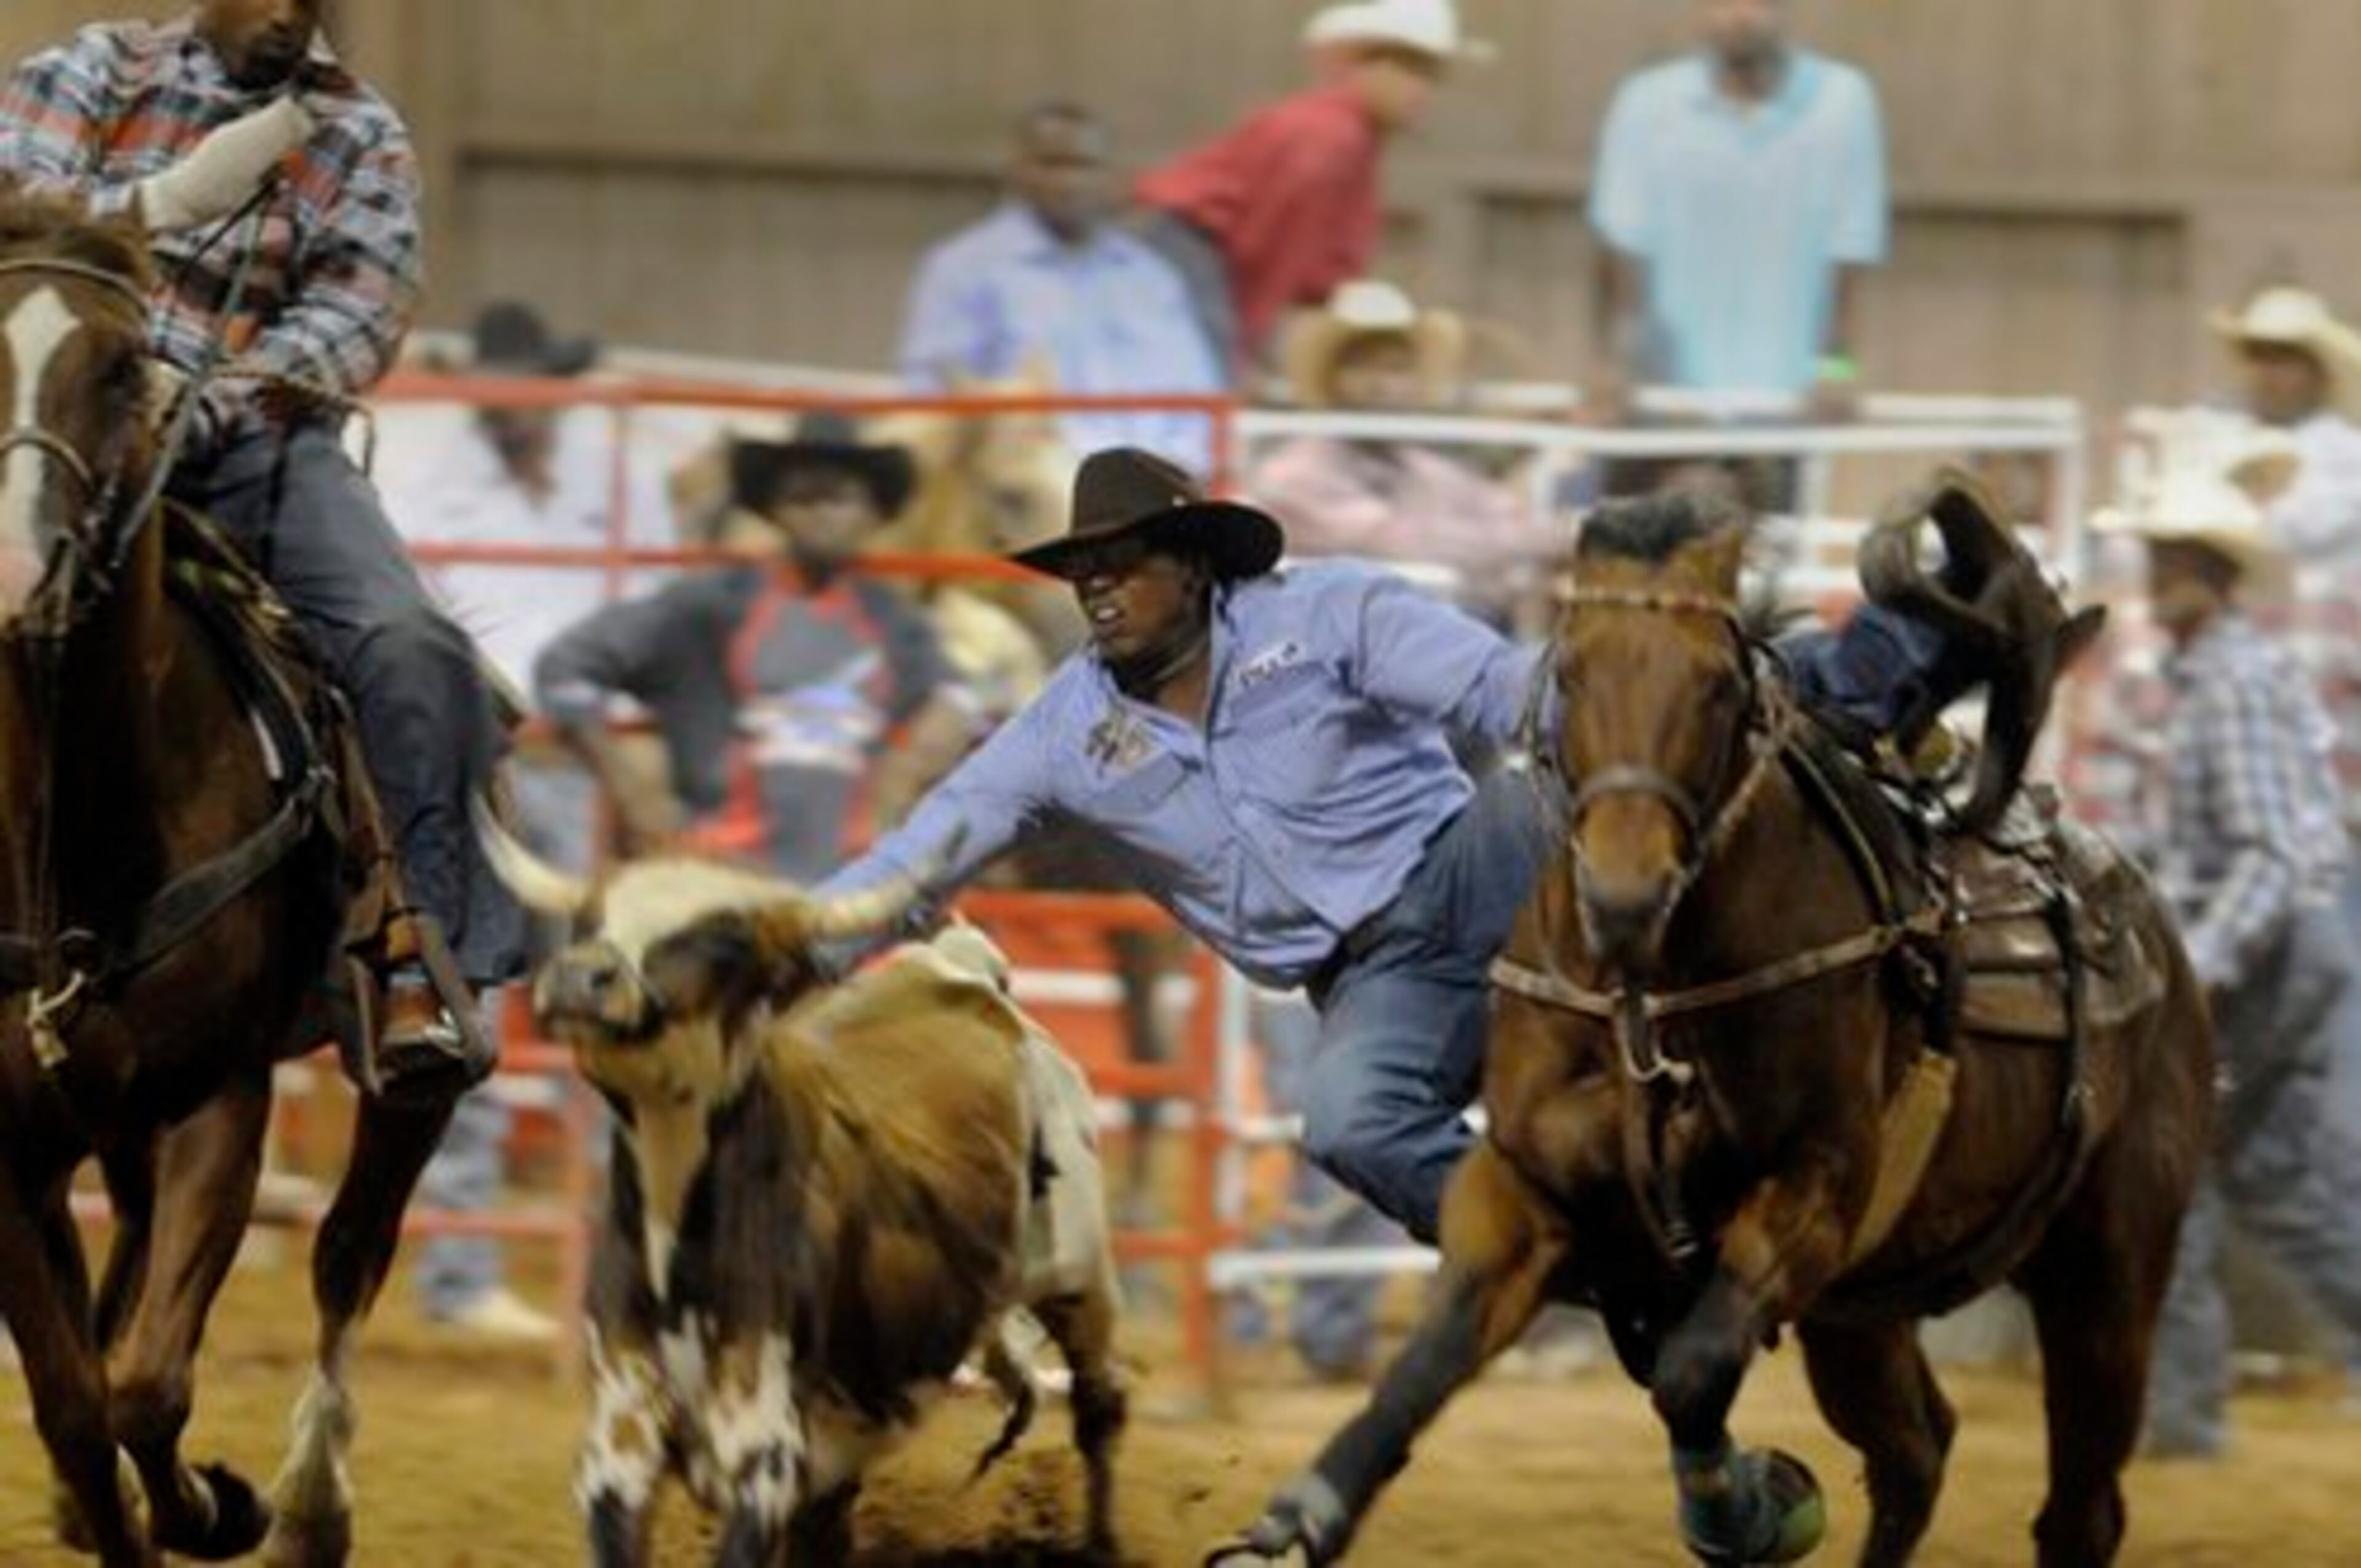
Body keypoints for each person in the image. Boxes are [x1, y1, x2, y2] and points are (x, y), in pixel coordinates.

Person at [0, 0, 521, 1098]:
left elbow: (358, 310)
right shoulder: (96, 70)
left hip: (250, 445)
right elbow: (22, 218)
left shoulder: (361, 133)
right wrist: (169, 203)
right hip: (57, 411)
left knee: (408, 642)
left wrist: (219, 393)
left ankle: (411, 952)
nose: (288, 10)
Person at [384, 301, 660, 1342]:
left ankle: (618, 1267)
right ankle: (464, 1273)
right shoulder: (429, 491)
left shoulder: (611, 481)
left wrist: (638, 758)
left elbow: (651, 621)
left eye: (530, 380)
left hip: (594, 768)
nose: (517, 401)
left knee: (619, 1019)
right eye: (503, 382)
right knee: (476, 1011)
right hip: (486, 767)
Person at [2087, 465, 2361, 1460]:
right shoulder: (2222, 673)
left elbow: (2269, 851)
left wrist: (2197, 969)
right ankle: (2181, 1415)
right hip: (2289, 954)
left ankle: (2182, 1421)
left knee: (2170, 1171)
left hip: (2262, 960)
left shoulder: (2231, 680)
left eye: (2179, 561)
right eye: (2159, 558)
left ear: (2216, 571)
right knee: (2281, 1182)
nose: (2163, 576)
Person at [537, 413, 971, 882]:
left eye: (840, 498)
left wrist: (900, 782)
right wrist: (634, 791)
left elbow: (962, 700)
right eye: (803, 498)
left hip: (848, 891)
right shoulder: (709, 607)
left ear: (873, 514)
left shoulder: (895, 623)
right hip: (719, 881)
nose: (821, 513)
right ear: (775, 510)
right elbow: (564, 668)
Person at [1133, 0, 1483, 370]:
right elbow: (1271, 249)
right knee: (1204, 371)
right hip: (1186, 250)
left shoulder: (1346, 137)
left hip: (1200, 253)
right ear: (1368, 67)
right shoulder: (1328, 139)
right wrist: (1243, 353)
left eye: (1431, 78)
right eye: (1414, 72)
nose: (1425, 93)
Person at [1586, 0, 1888, 415]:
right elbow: (1619, 252)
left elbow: (1849, 257)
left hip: (1787, 403)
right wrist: (1614, 363)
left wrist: (1836, 369)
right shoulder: (1647, 102)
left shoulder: (1843, 102)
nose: (1738, 15)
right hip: (1668, 402)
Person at [901, 103, 1225, 475]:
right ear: (1017, 172)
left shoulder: (1151, 278)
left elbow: (1198, 401)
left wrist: (1175, 469)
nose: (1069, 181)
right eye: (1053, 164)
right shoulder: (963, 269)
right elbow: (935, 396)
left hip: (1155, 489)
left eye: (1084, 165)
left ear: (1110, 175)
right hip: (1027, 494)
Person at [1248, 279, 1551, 596]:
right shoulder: (1295, 473)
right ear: (1331, 378)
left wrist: (1564, 533)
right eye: (1362, 367)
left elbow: (1507, 514)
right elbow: (1406, 543)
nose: (1383, 385)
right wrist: (1524, 541)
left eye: (1398, 369)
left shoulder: (1424, 469)